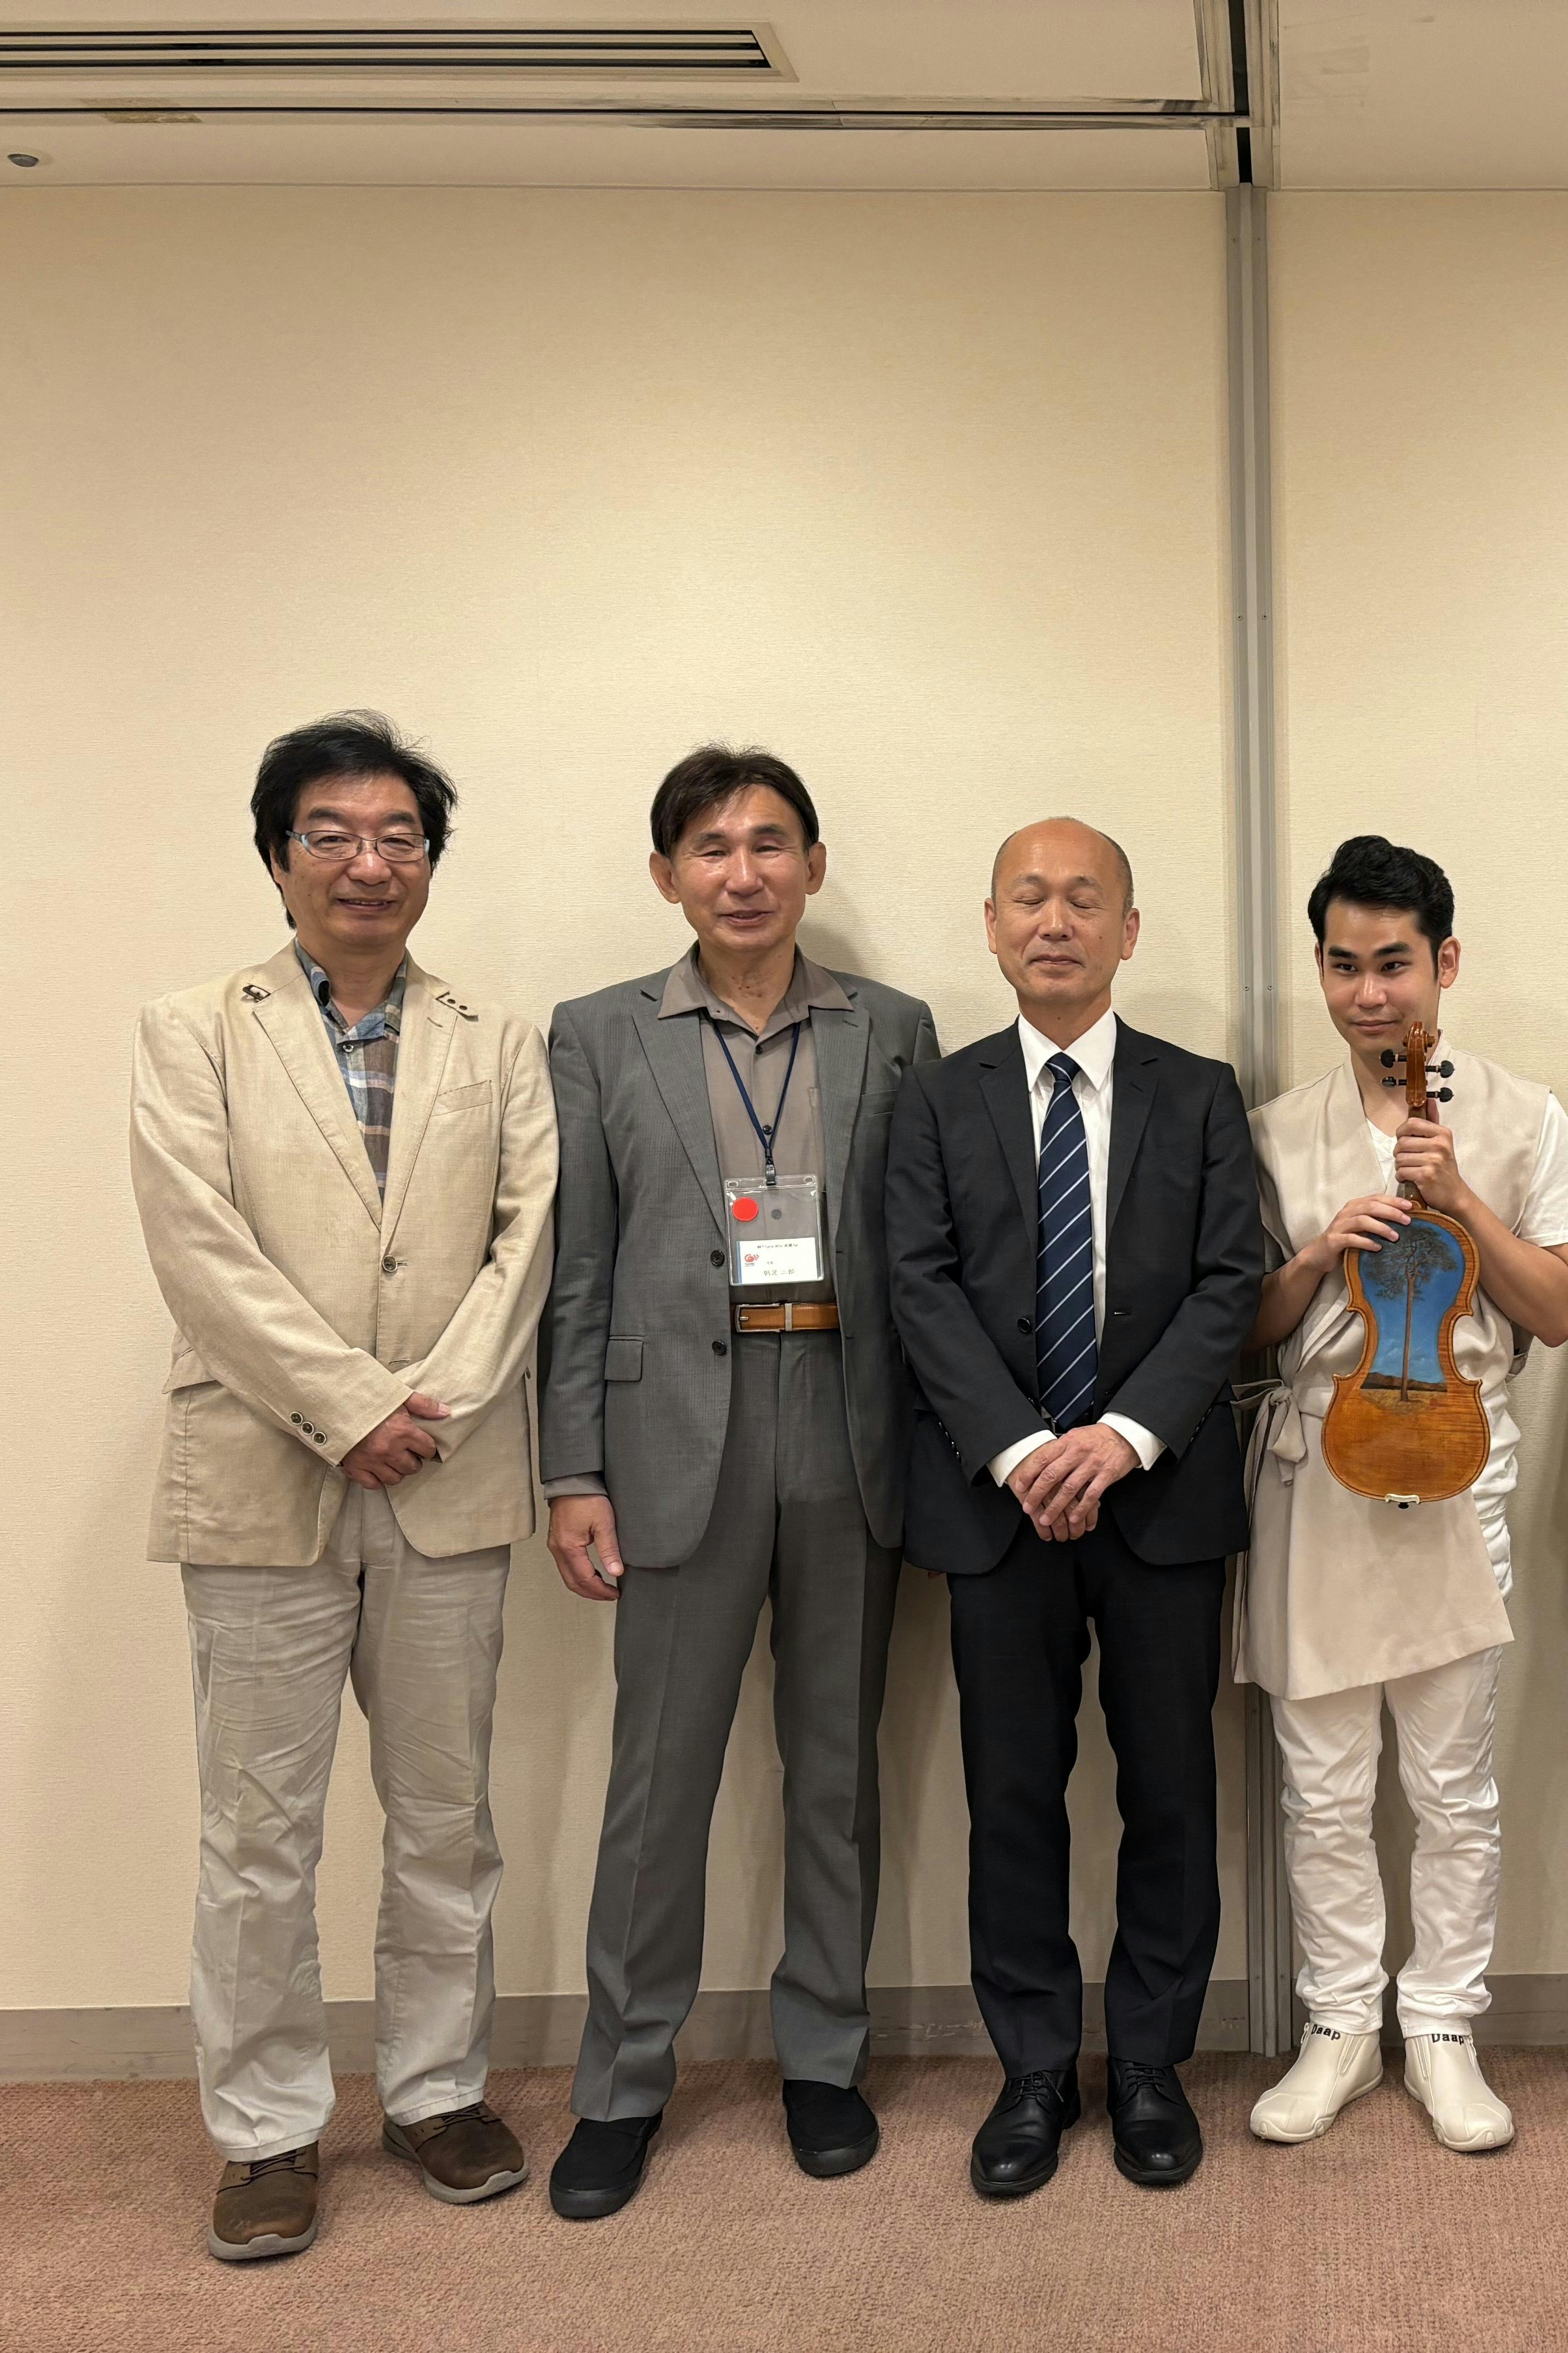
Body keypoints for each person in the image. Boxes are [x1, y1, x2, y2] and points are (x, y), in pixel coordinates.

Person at [130, 712, 556, 2262]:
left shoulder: (497, 1038)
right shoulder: (191, 1029)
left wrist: (423, 1408)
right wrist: (351, 1408)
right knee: (259, 1832)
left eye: (398, 837)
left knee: (445, 1815)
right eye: (333, 833)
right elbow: (199, 1247)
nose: (368, 862)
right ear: (276, 854)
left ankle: (439, 2090)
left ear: (430, 862)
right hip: (263, 1476)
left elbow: (527, 1241)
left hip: (448, 1469)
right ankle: (265, 2129)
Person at [540, 747, 939, 2221]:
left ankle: (824, 2055)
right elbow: (577, 1268)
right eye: (711, 848)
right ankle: (623, 2081)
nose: (745, 872)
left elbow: (924, 1251)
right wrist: (571, 1467)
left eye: (772, 843)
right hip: (670, 1440)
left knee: (835, 1772)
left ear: (814, 866)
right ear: (668, 877)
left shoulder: (893, 1028)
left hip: (846, 1418)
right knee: (660, 1780)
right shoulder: (597, 1034)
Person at [886, 818, 1265, 2199]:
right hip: (998, 1510)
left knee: (1171, 1792)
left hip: (1160, 1499)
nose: (1056, 921)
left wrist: (1118, 1439)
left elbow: (1230, 1281)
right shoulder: (936, 1098)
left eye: (1085, 899)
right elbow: (919, 1284)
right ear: (991, 925)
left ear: (1128, 931)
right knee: (1011, 1797)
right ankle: (1036, 2069)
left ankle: (1152, 2064)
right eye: (1030, 899)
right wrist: (1020, 1450)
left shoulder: (1199, 1093)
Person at [1237, 837, 1568, 2153]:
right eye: (1343, 966)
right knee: (1324, 1782)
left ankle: (1443, 2024)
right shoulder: (1274, 1131)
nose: (1369, 993)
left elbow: (1560, 1309)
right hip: (1313, 1476)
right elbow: (1241, 1330)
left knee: (1453, 1781)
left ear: (1445, 962)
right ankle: (1339, 2024)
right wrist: (1315, 1255)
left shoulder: (1523, 1115)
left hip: (1459, 1473)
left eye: (1394, 963)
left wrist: (1460, 1201)